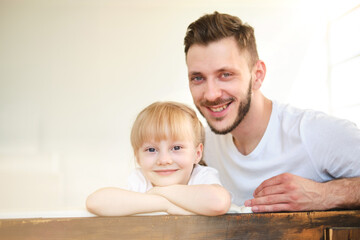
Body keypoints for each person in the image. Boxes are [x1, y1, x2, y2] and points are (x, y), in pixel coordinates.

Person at [184, 11, 360, 213]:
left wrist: (325, 195)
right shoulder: (201, 146)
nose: (211, 94)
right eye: (198, 78)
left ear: (257, 76)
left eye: (225, 74)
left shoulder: (311, 132)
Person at [86, 101, 231, 216]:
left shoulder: (201, 176)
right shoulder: (140, 179)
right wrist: (166, 205)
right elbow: (95, 202)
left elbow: (219, 202)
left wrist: (159, 191)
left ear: (197, 154)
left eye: (176, 148)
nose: (164, 160)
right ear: (138, 157)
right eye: (151, 149)